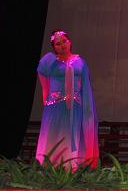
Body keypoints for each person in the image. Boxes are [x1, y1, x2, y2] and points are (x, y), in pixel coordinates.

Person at [36, 30, 99, 168]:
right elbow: (44, 86)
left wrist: (86, 110)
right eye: (58, 44)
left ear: (70, 42)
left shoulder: (80, 62)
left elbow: (85, 87)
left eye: (64, 41)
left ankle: (70, 168)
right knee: (52, 135)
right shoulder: (49, 62)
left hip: (75, 107)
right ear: (54, 47)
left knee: (71, 137)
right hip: (54, 107)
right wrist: (47, 104)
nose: (62, 45)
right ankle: (48, 167)